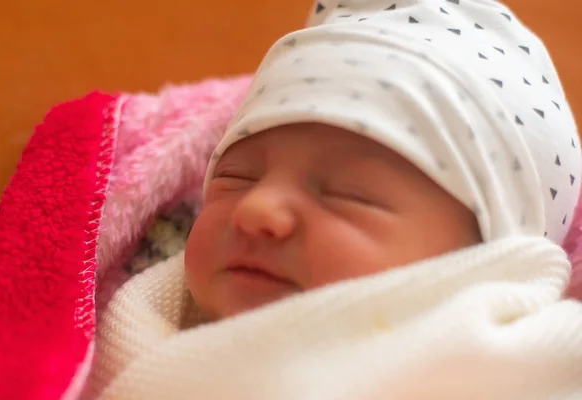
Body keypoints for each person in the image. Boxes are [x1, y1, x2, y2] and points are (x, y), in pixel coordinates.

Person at [88, 1, 582, 398]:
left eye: (349, 194)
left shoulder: (525, 372)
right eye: (236, 178)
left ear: (484, 260)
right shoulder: (124, 334)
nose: (257, 209)